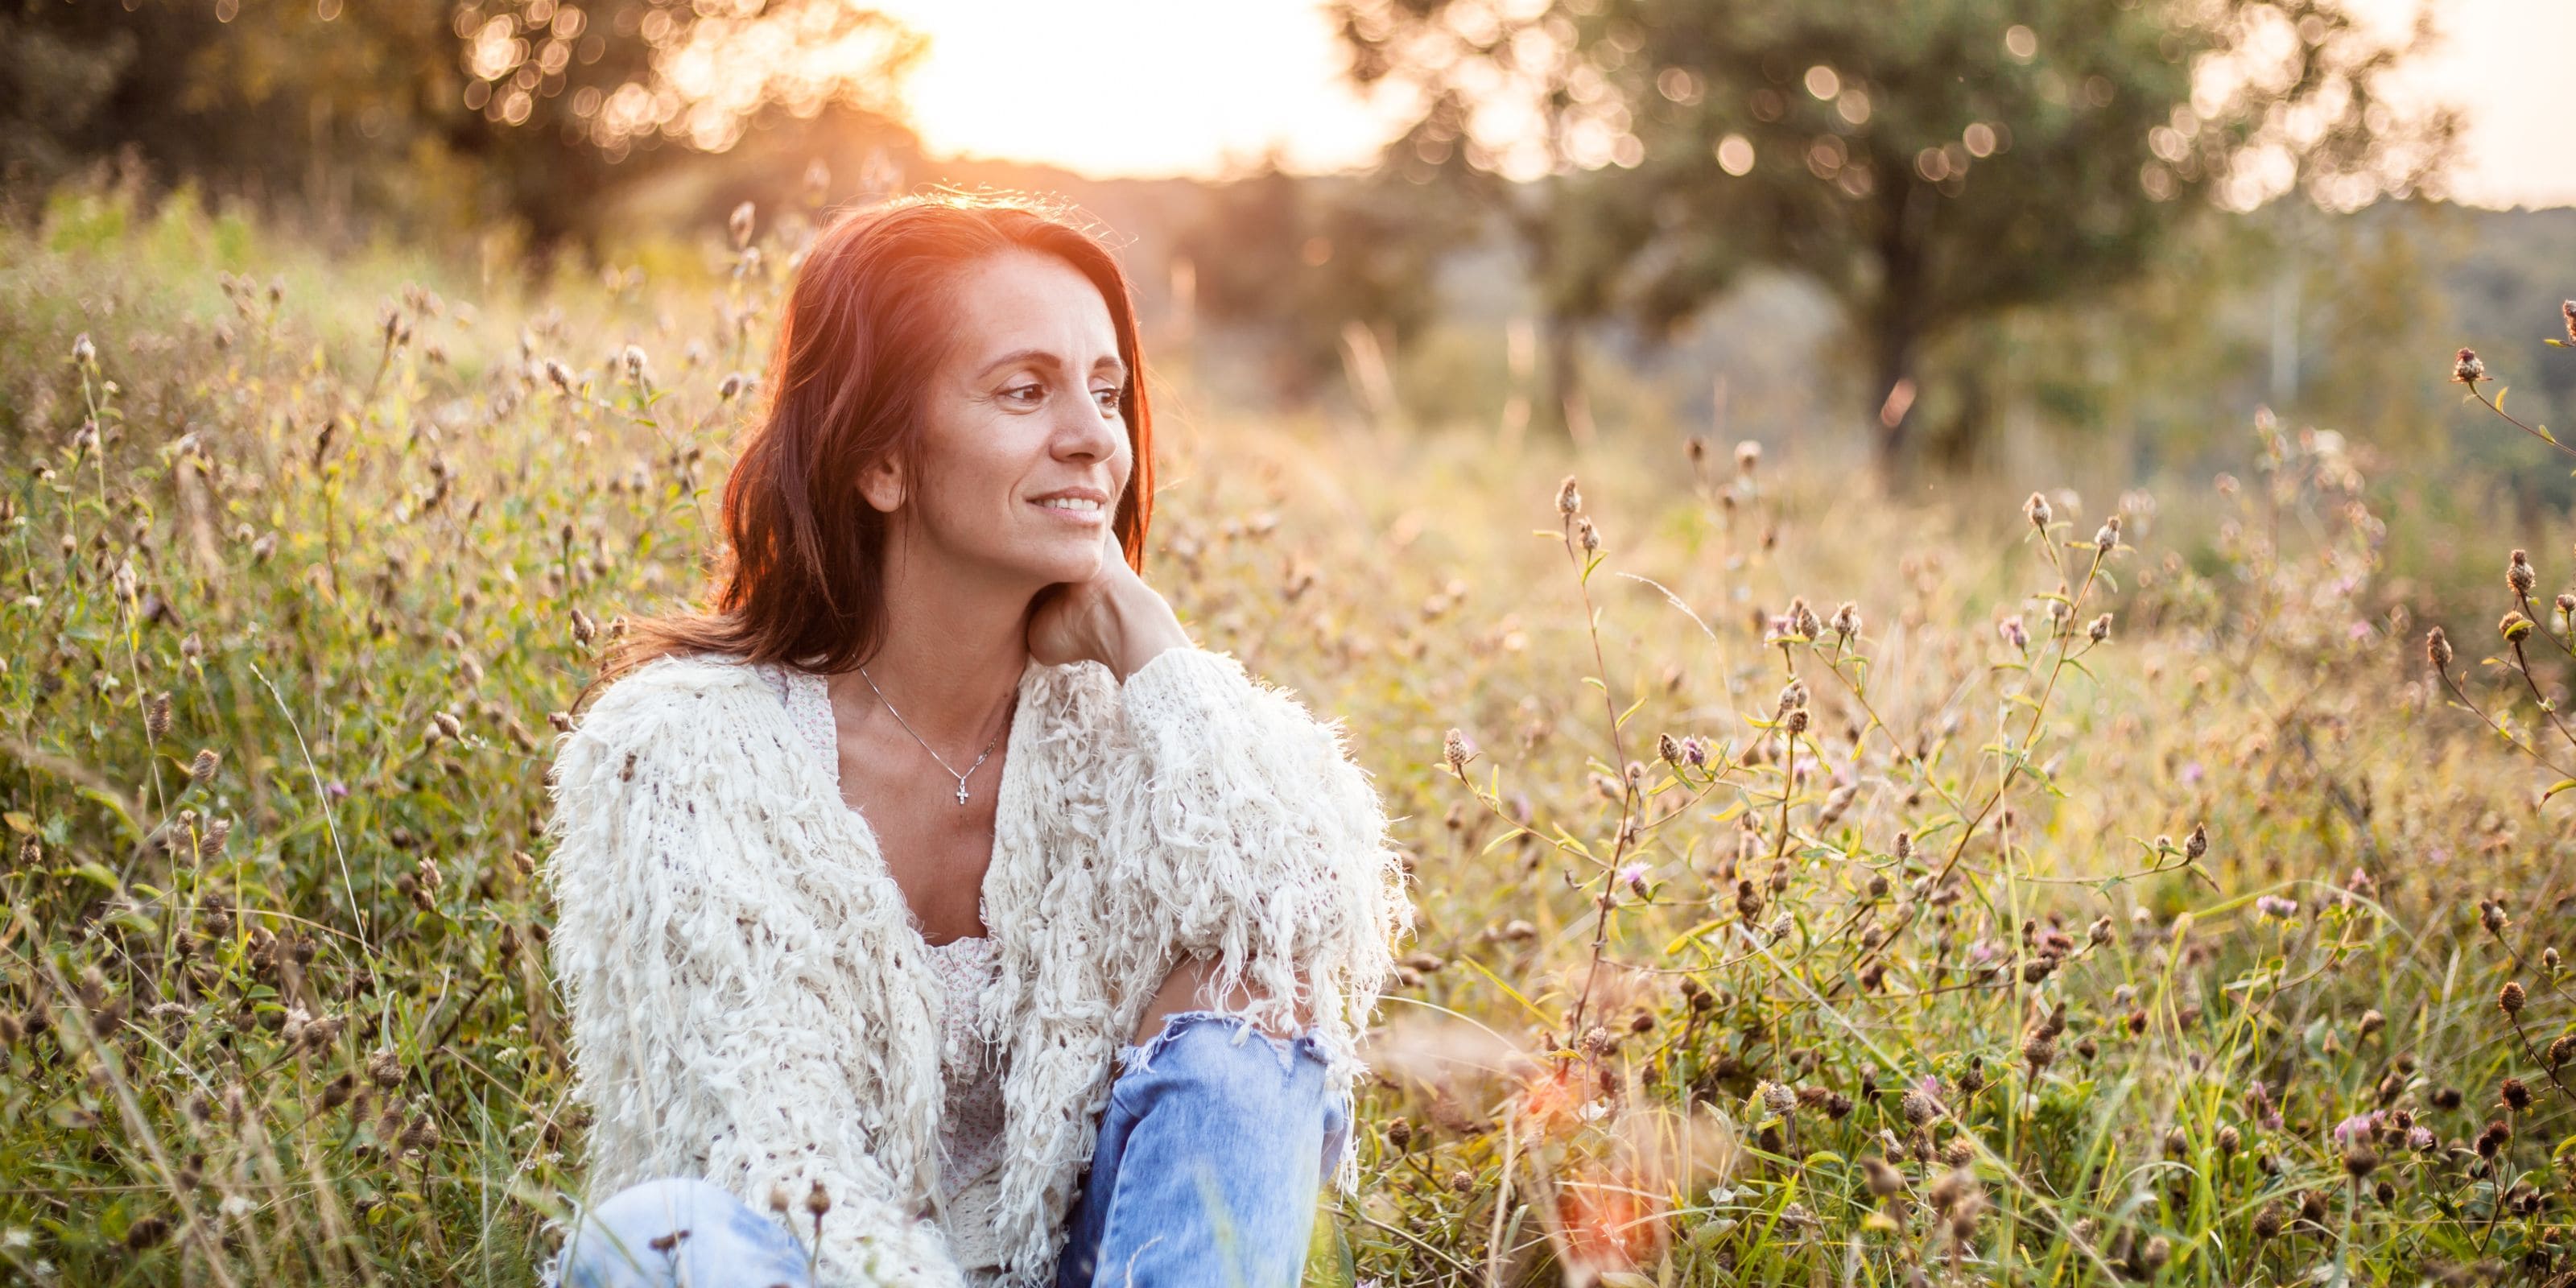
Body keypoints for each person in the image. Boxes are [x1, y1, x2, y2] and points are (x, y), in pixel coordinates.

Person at [537, 191, 1414, 1288]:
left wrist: (1157, 651)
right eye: (1023, 391)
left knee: (1255, 1000)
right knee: (656, 1238)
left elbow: (1313, 923)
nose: (1095, 437)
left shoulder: (1128, 732)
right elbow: (771, 1165)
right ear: (882, 461)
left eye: (1108, 393)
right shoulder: (682, 754)